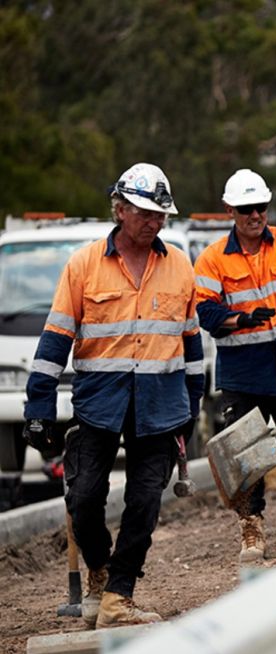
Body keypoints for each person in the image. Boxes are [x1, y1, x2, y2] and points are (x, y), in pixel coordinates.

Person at [23, 163, 204, 627]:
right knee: (83, 499)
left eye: (160, 215)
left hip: (161, 405)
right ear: (120, 210)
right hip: (99, 404)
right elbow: (55, 341)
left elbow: (191, 343)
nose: (155, 222)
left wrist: (193, 402)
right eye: (145, 213)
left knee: (145, 501)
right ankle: (100, 571)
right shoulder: (84, 265)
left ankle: (119, 594)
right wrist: (39, 407)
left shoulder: (180, 266)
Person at [193, 169, 276, 562]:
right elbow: (207, 311)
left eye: (261, 208)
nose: (256, 216)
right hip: (243, 373)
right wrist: (241, 320)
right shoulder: (213, 258)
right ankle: (251, 528)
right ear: (231, 210)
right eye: (247, 209)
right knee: (247, 455)